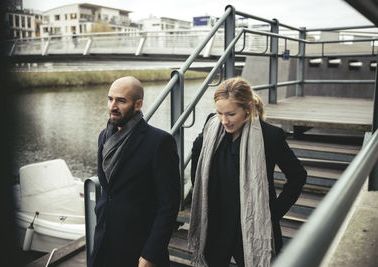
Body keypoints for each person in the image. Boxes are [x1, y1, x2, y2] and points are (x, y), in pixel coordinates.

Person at [188, 77, 307, 267]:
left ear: (248, 108)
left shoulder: (270, 136)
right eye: (220, 113)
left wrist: (273, 213)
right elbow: (197, 150)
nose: (224, 120)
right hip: (217, 224)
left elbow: (298, 176)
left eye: (231, 114)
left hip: (253, 226)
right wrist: (201, 186)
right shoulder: (212, 126)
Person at [89, 76, 181, 267]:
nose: (113, 106)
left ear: (138, 104)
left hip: (138, 247)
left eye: (121, 101)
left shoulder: (159, 142)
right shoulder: (104, 137)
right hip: (104, 240)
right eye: (110, 99)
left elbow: (169, 205)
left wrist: (151, 254)